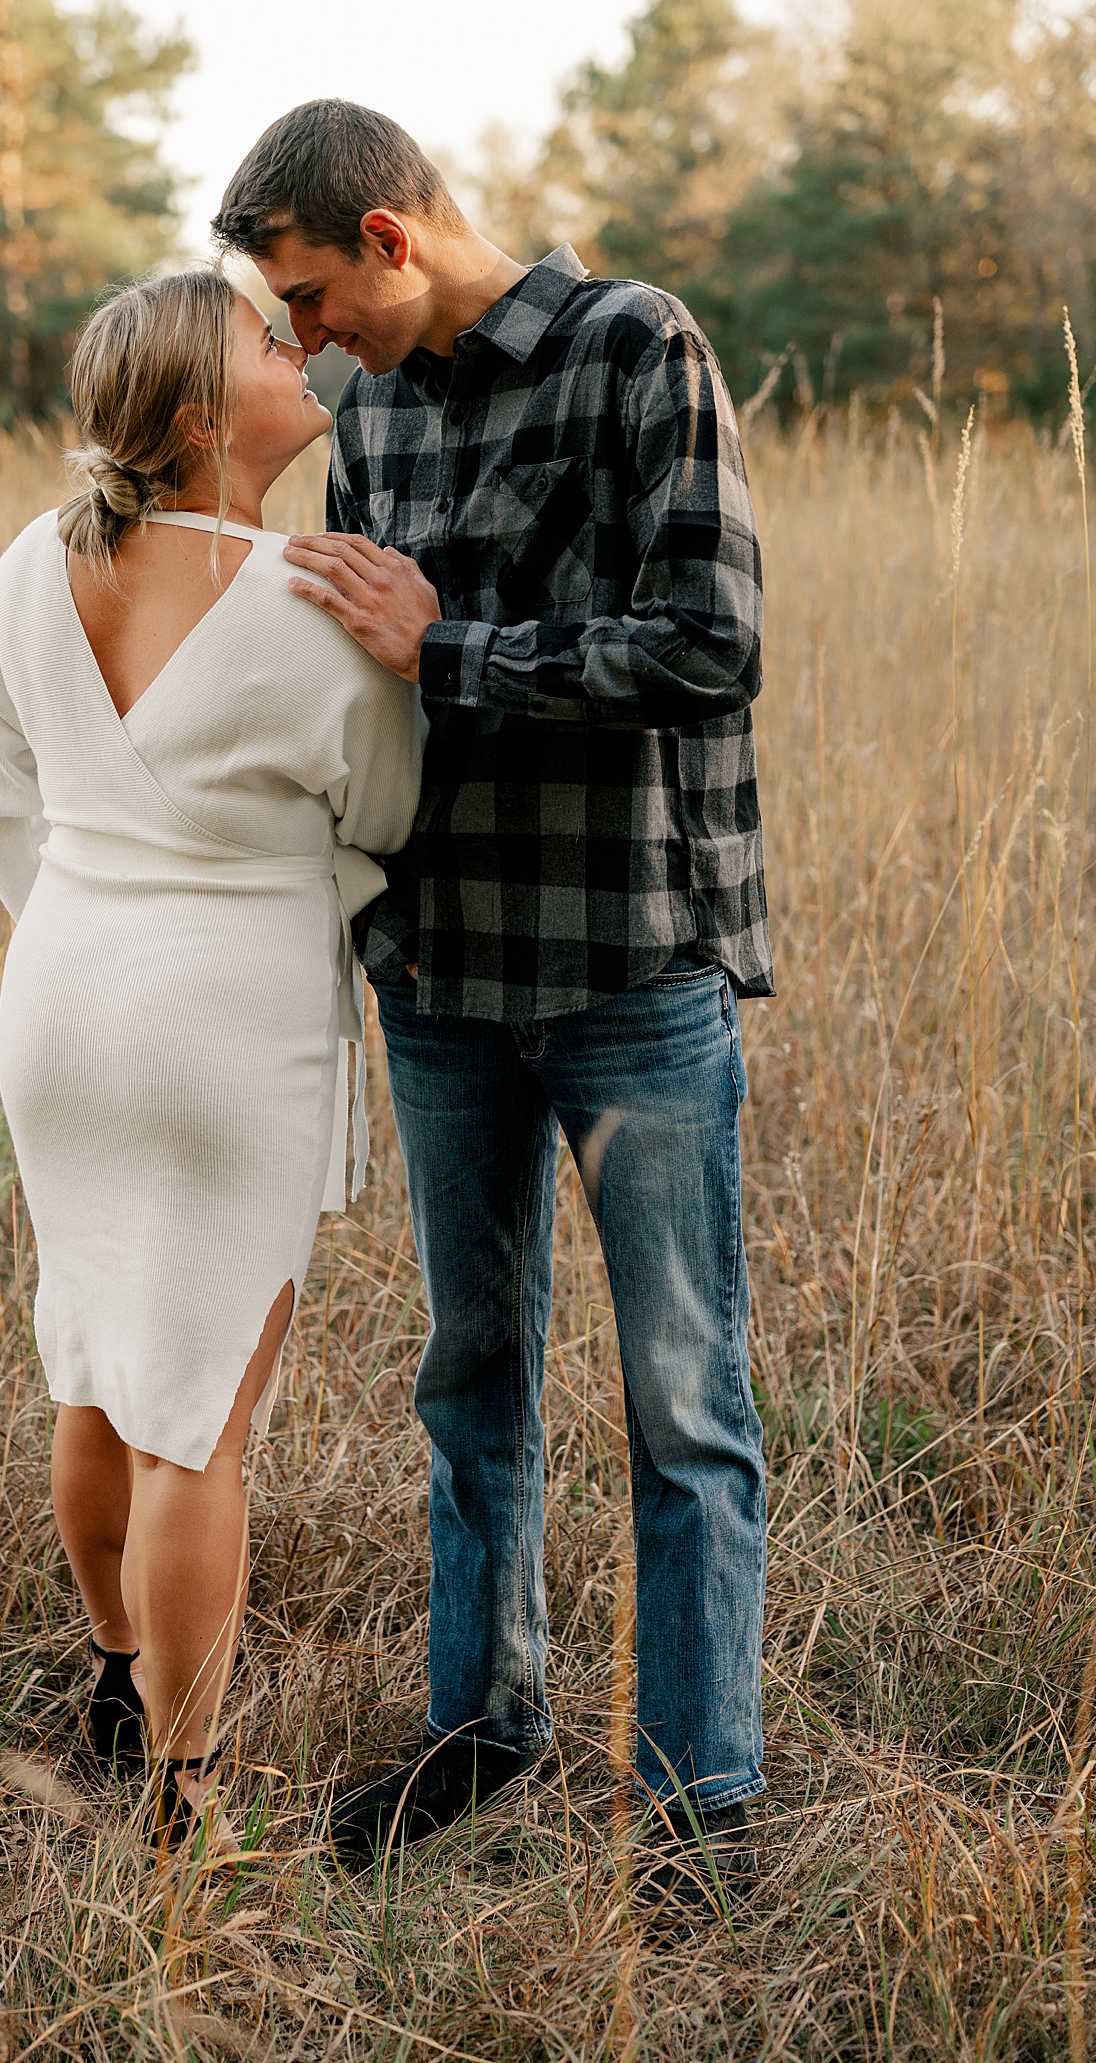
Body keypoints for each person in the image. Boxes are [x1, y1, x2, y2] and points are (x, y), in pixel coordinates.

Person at [213, 100, 771, 1916]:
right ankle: (487, 1723)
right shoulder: (366, 412)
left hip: (628, 970)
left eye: (307, 297)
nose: (299, 349)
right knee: (472, 1379)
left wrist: (449, 647)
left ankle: (704, 1805)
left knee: (683, 1402)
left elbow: (709, 645)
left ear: (387, 237)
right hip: (444, 974)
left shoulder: (636, 347)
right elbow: (362, 689)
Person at [0, 267, 422, 1852]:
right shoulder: (320, 591)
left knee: (94, 1355)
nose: (305, 356)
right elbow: (386, 815)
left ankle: (111, 1673)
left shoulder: (23, 571)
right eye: (271, 344)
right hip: (230, 1021)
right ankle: (186, 1784)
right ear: (209, 416)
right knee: (200, 1414)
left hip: (62, 1002)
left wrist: (85, 927)